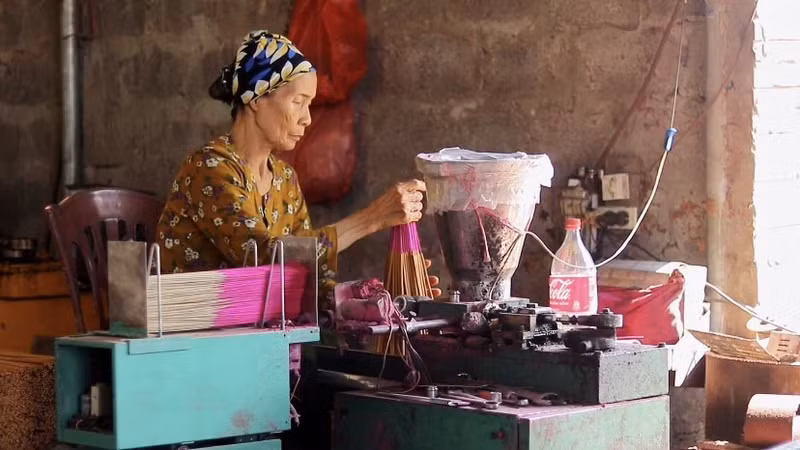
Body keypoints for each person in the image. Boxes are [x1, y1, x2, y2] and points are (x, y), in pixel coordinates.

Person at [156, 30, 439, 295]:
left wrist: (379, 296)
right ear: (257, 98)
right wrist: (372, 218)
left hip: (262, 329)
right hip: (194, 330)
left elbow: (308, 277)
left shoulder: (284, 178)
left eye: (309, 104)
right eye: (298, 102)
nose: (307, 118)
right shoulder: (209, 168)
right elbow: (267, 257)